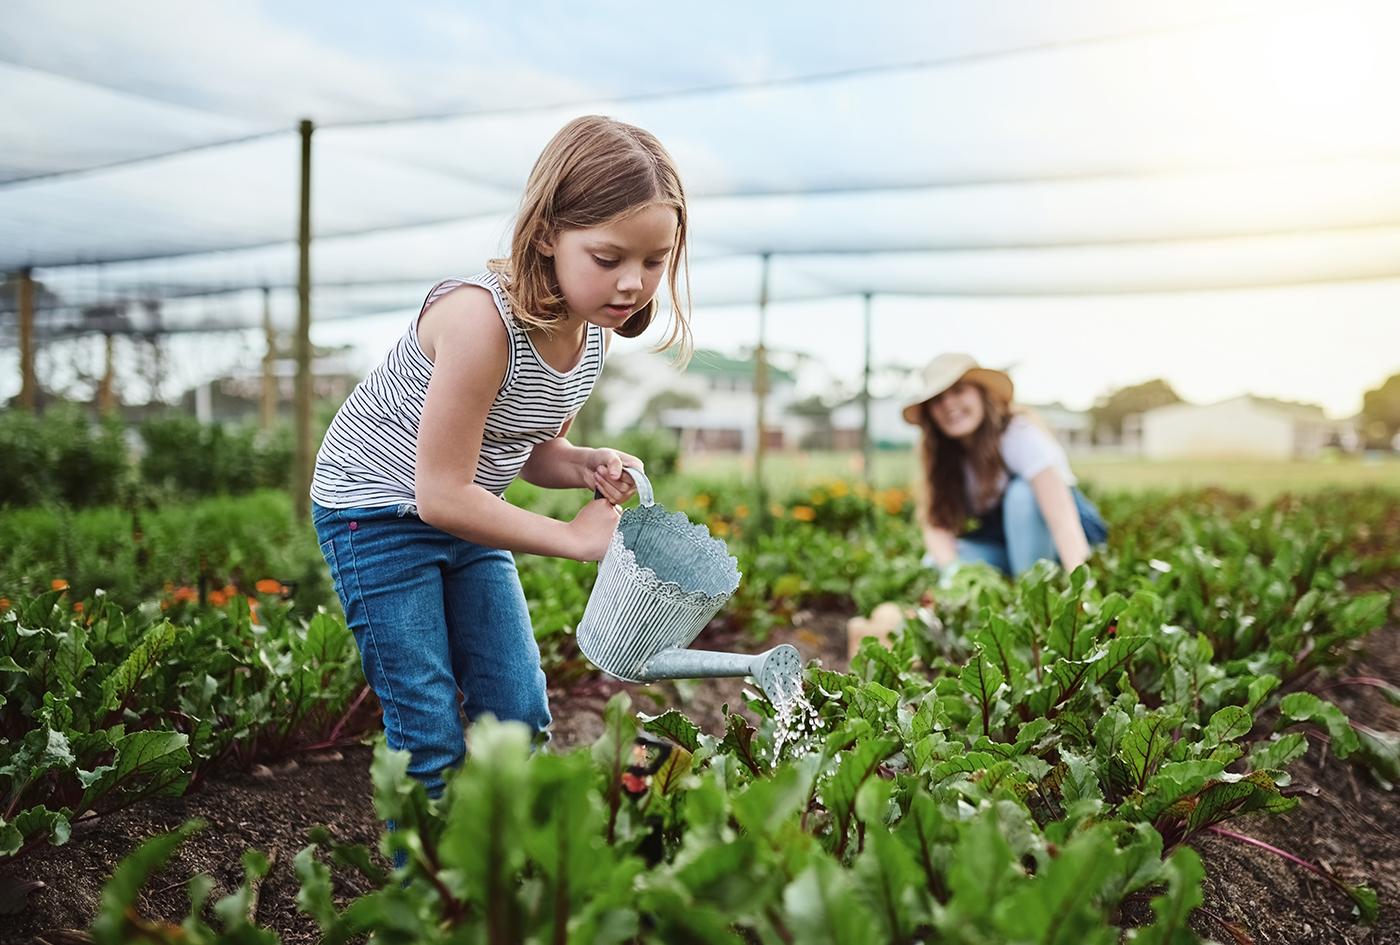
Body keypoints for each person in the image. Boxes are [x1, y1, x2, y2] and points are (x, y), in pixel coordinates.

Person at [310, 115, 691, 801]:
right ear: (547, 233)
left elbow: (528, 450)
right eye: (609, 258)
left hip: (463, 515)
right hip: (376, 514)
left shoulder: (589, 335)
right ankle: (431, 898)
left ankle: (501, 873)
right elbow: (442, 493)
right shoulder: (480, 322)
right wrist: (574, 538)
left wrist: (582, 463)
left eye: (654, 260)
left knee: (517, 713)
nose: (632, 283)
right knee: (428, 732)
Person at [902, 353, 1106, 580]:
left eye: (958, 390)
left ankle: (1031, 591)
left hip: (1068, 545)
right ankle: (1012, 583)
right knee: (935, 561)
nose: (948, 403)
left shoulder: (1019, 435)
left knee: (1021, 494)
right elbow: (936, 525)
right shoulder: (946, 457)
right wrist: (953, 574)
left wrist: (1081, 584)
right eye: (938, 399)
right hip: (1011, 547)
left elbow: (1063, 522)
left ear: (981, 393)